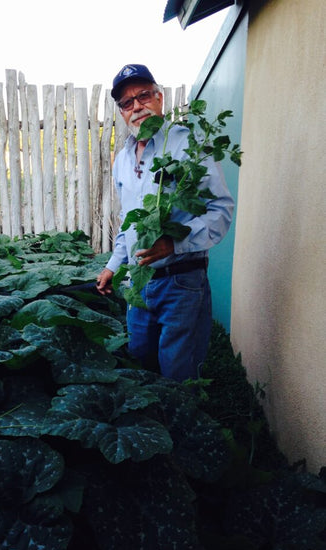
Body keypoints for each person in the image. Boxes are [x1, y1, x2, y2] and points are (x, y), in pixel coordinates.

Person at [96, 64, 234, 382]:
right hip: (139, 281)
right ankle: (157, 423)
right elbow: (127, 221)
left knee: (177, 369)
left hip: (181, 280)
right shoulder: (123, 161)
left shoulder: (187, 146)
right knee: (141, 355)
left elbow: (220, 210)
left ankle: (183, 424)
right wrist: (114, 264)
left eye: (143, 95)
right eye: (126, 103)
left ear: (159, 98)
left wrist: (173, 243)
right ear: (121, 112)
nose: (136, 106)